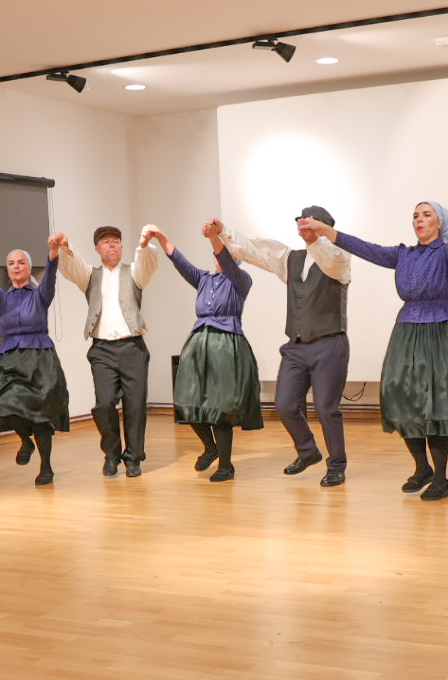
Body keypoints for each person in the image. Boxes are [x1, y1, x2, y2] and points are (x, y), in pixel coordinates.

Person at [300, 202, 448, 501]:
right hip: (407, 331)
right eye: (415, 215)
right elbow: (364, 248)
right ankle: (422, 468)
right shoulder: (403, 254)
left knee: (435, 406)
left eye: (426, 215)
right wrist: (324, 230)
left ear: (440, 222)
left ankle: (440, 479)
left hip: (440, 331)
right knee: (401, 398)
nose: (419, 219)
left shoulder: (447, 251)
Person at [214, 208, 353, 486]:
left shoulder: (339, 256)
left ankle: (337, 465)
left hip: (329, 343)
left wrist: (317, 238)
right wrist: (223, 231)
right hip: (296, 346)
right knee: (285, 404)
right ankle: (308, 451)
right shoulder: (291, 258)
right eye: (302, 222)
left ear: (325, 226)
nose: (304, 226)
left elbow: (330, 261)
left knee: (326, 409)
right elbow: (255, 249)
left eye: (311, 222)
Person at [147, 222, 261, 481]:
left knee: (219, 408)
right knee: (188, 401)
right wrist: (161, 236)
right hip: (199, 344)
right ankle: (210, 448)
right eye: (218, 253)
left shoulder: (241, 279)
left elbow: (226, 260)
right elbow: (179, 261)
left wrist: (213, 236)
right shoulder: (203, 279)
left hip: (225, 346)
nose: (221, 257)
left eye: (227, 253)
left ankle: (226, 466)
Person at [0, 245, 68, 486]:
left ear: (29, 268)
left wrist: (52, 254)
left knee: (40, 416)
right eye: (11, 263)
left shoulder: (40, 294)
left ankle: (46, 467)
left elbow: (50, 275)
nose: (16, 267)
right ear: (7, 270)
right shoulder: (2, 298)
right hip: (9, 360)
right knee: (7, 405)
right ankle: (26, 441)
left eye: (21, 262)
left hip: (39, 360)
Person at [57, 225, 158, 477]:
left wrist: (143, 245)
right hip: (102, 350)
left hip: (133, 347)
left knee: (135, 406)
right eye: (105, 242)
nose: (111, 245)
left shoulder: (133, 272)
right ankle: (111, 454)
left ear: (121, 246)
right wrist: (66, 245)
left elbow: (148, 264)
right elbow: (72, 265)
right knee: (104, 404)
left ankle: (133, 458)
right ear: (97, 248)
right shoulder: (90, 276)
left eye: (115, 241)